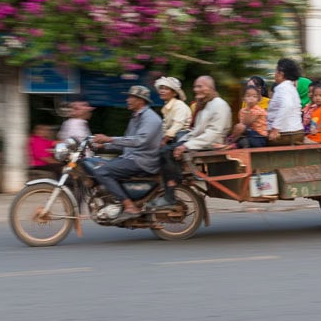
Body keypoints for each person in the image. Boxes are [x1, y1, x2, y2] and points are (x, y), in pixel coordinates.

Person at [155, 76, 232, 211]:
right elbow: (196, 131)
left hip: (212, 143)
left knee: (166, 152)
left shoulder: (219, 105)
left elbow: (213, 133)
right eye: (196, 86)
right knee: (165, 151)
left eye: (200, 86)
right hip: (200, 141)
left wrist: (186, 146)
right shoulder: (206, 105)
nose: (196, 89)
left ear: (211, 88)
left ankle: (172, 191)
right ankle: (170, 189)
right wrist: (182, 143)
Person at [90, 85, 163, 222]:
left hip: (143, 161)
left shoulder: (150, 119)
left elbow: (139, 141)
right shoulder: (136, 117)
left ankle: (129, 206)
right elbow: (126, 141)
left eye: (131, 97)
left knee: (101, 172)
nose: (127, 100)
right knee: (100, 164)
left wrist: (109, 139)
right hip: (131, 157)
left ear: (141, 101)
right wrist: (105, 145)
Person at [266, 58, 305, 146]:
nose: (274, 74)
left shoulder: (283, 88)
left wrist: (276, 128)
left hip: (285, 135)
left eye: (275, 71)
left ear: (281, 74)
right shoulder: (290, 88)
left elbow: (287, 105)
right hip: (295, 132)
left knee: (256, 140)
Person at [155, 76, 192, 146]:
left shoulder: (179, 105)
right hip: (172, 139)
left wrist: (164, 140)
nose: (162, 91)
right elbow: (165, 127)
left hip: (182, 138)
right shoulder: (166, 107)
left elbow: (177, 125)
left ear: (174, 93)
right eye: (161, 88)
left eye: (166, 89)